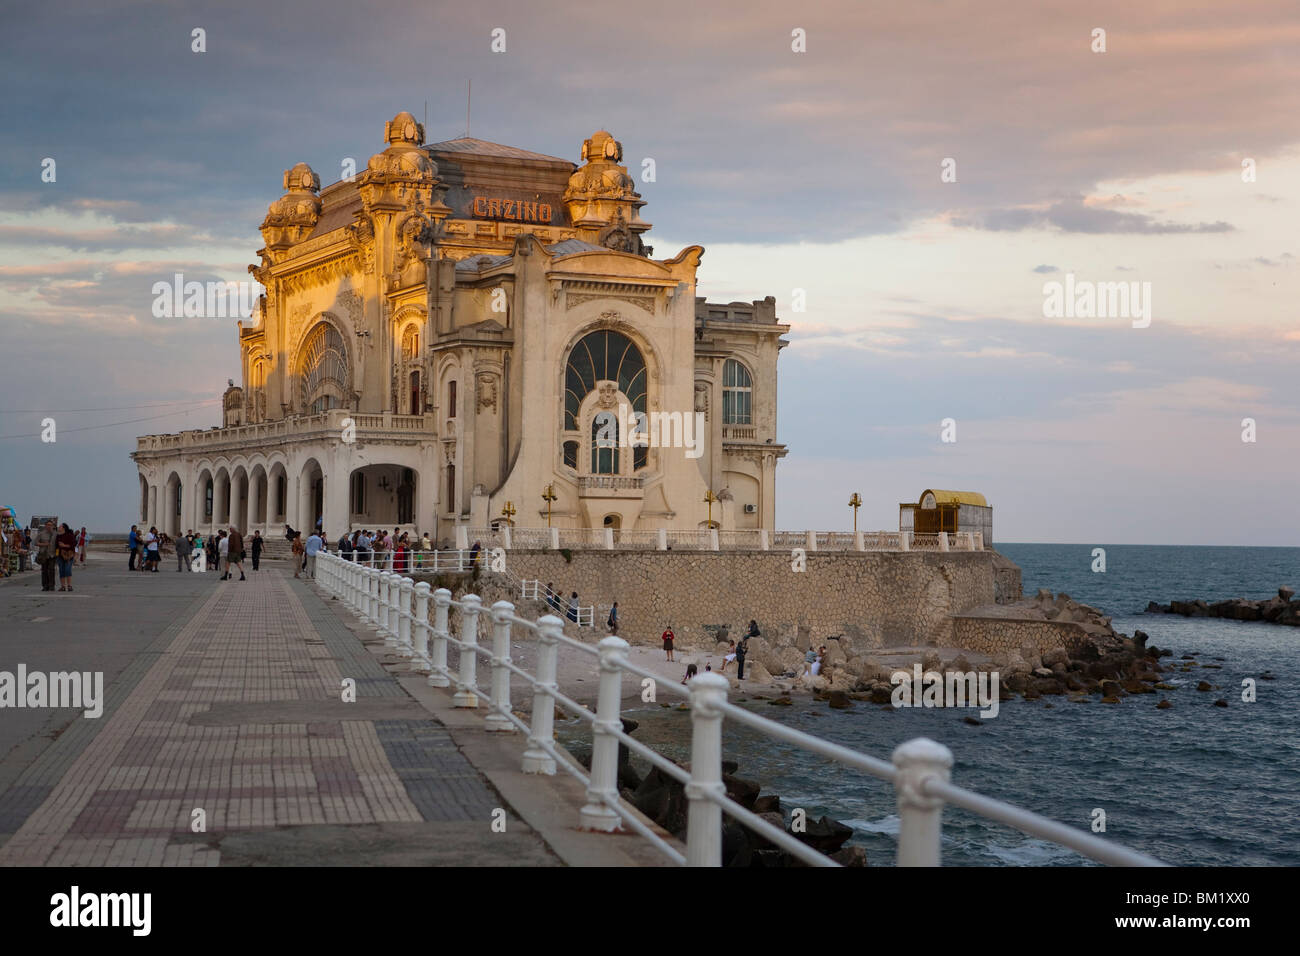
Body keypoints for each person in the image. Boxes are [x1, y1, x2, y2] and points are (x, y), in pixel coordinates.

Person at [55, 522, 77, 591]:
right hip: (60, 555)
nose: (58, 527)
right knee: (61, 571)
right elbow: (56, 546)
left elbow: (73, 544)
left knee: (67, 570)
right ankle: (63, 586)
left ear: (63, 528)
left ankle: (69, 586)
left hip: (69, 555)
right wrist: (56, 554)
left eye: (60, 526)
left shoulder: (69, 535)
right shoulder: (58, 536)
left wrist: (64, 545)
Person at [36, 520, 56, 591]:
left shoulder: (55, 534)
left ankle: (52, 586)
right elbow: (36, 543)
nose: (49, 526)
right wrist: (44, 544)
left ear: (53, 526)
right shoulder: (41, 534)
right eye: (48, 525)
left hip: (52, 555)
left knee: (51, 570)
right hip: (43, 555)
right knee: (44, 571)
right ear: (45, 526)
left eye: (50, 525)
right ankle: (45, 585)